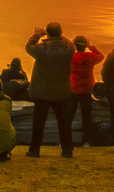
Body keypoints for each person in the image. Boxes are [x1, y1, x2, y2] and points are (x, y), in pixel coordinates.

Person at [25, 22, 76, 158]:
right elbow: (68, 40)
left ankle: (34, 150)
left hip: (42, 92)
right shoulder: (69, 48)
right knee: (64, 123)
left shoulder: (41, 49)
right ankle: (67, 150)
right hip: (61, 91)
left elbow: (28, 47)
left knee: (38, 123)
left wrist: (36, 35)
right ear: (61, 32)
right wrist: (56, 36)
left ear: (47, 33)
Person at [67, 35, 104, 148]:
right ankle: (87, 141)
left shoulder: (71, 57)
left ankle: (65, 141)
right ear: (85, 46)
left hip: (73, 89)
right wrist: (90, 46)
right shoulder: (89, 56)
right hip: (87, 89)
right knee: (87, 117)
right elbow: (101, 56)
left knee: (68, 117)